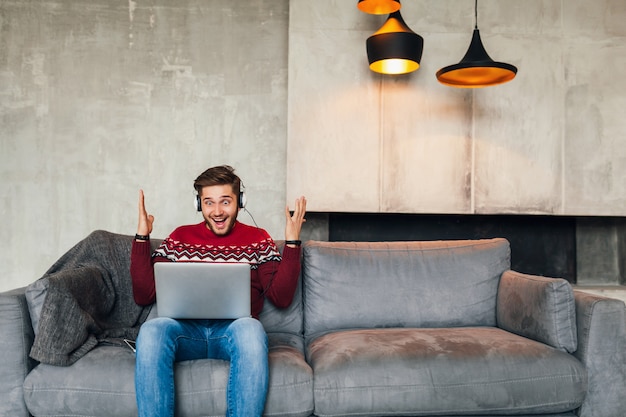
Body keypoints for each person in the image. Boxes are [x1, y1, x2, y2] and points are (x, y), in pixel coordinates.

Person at [130, 165, 307, 417]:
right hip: (185, 333)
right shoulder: (180, 238)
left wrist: (291, 243)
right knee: (151, 330)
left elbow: (281, 298)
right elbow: (143, 294)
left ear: (240, 202)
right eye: (209, 203)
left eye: (225, 201)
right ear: (199, 204)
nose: (217, 211)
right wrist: (141, 237)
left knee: (251, 329)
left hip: (233, 332)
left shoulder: (258, 239)